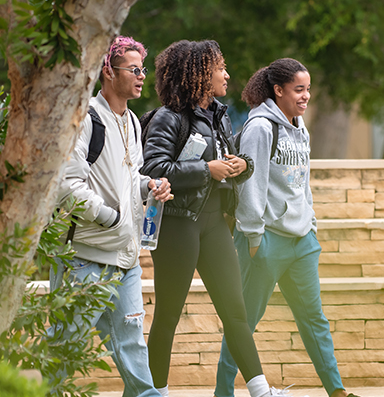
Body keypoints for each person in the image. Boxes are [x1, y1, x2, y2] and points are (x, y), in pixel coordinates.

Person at [140, 40, 289, 397]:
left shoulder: (219, 115)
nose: (227, 74)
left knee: (235, 312)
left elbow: (231, 159)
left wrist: (242, 165)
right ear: (201, 74)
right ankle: (152, 393)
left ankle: (260, 391)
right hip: (178, 224)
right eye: (220, 67)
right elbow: (154, 169)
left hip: (214, 224)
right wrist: (208, 169)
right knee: (168, 317)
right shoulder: (168, 117)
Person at [214, 58, 359, 397]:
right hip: (265, 241)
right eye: (299, 90)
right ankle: (223, 392)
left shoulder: (299, 126)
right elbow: (251, 182)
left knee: (314, 320)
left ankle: (336, 391)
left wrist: (311, 223)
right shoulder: (261, 128)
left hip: (301, 241)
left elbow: (301, 182)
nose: (306, 96)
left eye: (308, 89)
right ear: (278, 90)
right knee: (244, 323)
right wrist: (253, 236)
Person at [49, 36, 172, 397]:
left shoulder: (133, 121)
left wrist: (149, 186)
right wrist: (113, 219)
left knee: (134, 349)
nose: (141, 76)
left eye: (142, 69)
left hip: (126, 259)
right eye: (133, 70)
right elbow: (66, 187)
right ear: (107, 70)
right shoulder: (84, 118)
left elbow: (127, 178)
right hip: (83, 260)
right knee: (63, 354)